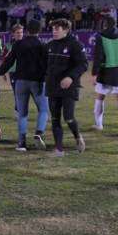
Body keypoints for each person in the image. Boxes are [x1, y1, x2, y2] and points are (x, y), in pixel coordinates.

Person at [0, 20, 49, 151]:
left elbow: (8, 62)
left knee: (22, 112)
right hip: (37, 82)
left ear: (27, 30)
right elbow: (46, 66)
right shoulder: (42, 46)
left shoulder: (18, 44)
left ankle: (22, 143)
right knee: (43, 109)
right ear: (39, 30)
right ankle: (39, 133)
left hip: (20, 82)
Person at [45, 19, 88, 157]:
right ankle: (59, 149)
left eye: (57, 29)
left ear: (66, 30)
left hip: (69, 88)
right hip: (52, 87)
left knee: (69, 118)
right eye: (53, 29)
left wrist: (70, 77)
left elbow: (83, 64)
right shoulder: (50, 45)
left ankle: (77, 137)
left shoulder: (75, 45)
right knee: (55, 119)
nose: (54, 31)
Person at [91, 16, 118, 135]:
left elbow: (98, 57)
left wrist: (94, 73)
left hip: (105, 71)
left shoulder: (101, 37)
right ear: (115, 24)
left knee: (100, 97)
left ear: (104, 24)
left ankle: (99, 124)